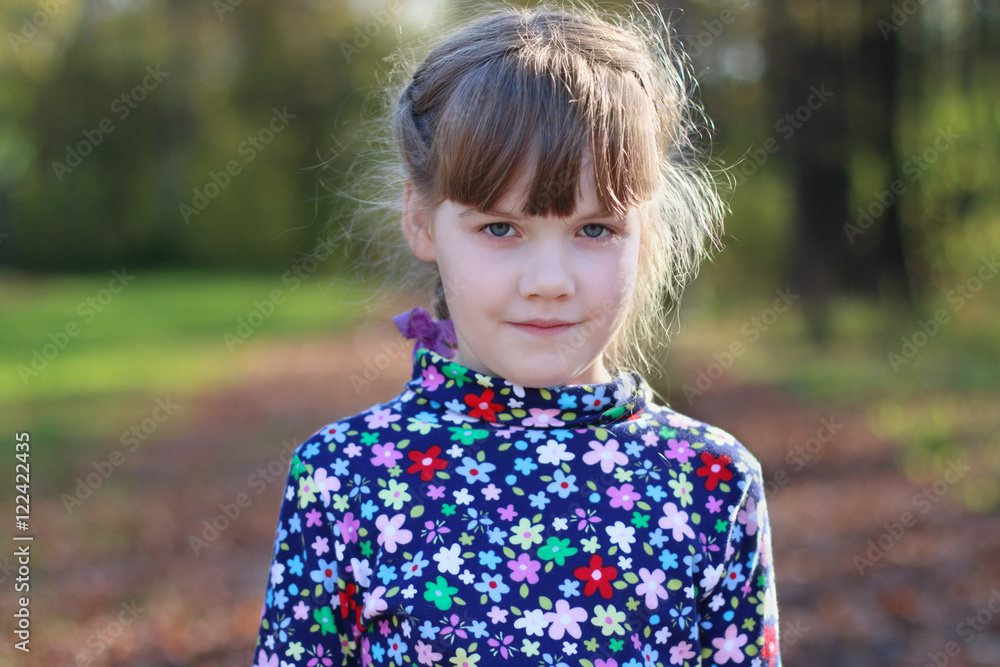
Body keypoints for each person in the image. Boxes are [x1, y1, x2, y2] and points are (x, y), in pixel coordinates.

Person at [253, 2, 781, 666]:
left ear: (645, 235)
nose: (549, 280)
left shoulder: (709, 482)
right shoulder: (344, 480)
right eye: (501, 227)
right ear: (422, 221)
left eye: (595, 228)